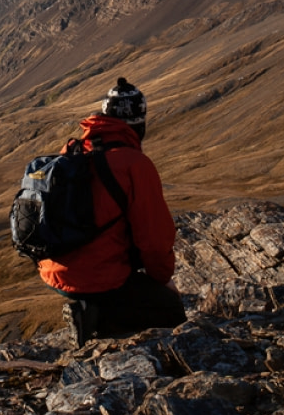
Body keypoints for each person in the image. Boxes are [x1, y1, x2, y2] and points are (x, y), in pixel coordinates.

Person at [38, 77, 187, 346]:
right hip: (98, 277)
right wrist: (162, 281)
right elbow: (153, 240)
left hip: (53, 273)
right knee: (171, 311)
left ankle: (90, 308)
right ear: (138, 123)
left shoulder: (71, 152)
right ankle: (98, 319)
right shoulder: (134, 164)